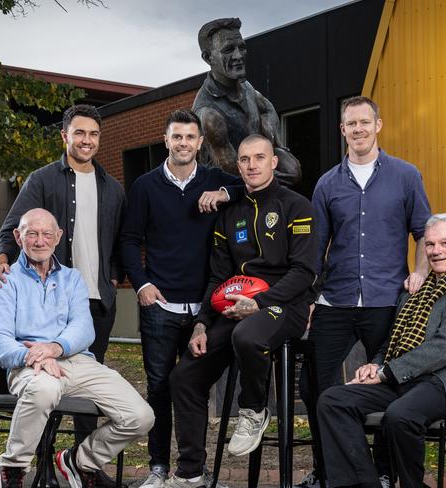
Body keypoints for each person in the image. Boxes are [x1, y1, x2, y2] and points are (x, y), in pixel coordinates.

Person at [165, 134, 317, 488]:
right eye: (245, 159)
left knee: (247, 335)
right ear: (238, 166)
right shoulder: (229, 212)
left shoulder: (297, 206)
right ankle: (189, 473)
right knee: (184, 376)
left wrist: (260, 303)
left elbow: (304, 271)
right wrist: (202, 323)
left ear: (274, 162)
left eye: (259, 158)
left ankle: (253, 410)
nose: (251, 165)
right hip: (235, 307)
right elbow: (218, 276)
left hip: (283, 305)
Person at [297, 96, 431, 487]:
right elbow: (315, 247)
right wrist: (308, 298)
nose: (357, 129)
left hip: (388, 298)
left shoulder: (406, 176)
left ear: (378, 125)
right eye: (350, 124)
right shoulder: (327, 184)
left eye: (364, 122)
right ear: (342, 131)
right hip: (335, 300)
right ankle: (328, 473)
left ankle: (385, 473)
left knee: (390, 385)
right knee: (317, 389)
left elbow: (422, 230)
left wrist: (420, 272)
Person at [0, 104, 125, 487]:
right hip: (52, 299)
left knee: (87, 389)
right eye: (79, 133)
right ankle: (44, 468)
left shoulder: (112, 188)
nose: (86, 140)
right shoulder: (43, 180)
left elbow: (119, 242)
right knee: (47, 381)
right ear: (65, 136)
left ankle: (85, 467)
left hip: (95, 304)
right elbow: (13, 227)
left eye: (93, 134)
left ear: (99, 138)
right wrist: (2, 259)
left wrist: (112, 277)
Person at [317, 213, 446, 488]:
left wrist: (386, 372)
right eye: (430, 244)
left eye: (445, 243)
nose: (436, 251)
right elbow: (393, 341)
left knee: (401, 414)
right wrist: (375, 365)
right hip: (406, 378)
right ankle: (366, 484)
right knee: (333, 401)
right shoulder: (413, 292)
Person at [0, 209, 154, 488]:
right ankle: (13, 470)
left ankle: (80, 461)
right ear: (18, 237)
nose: (40, 241)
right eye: (32, 234)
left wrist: (53, 348)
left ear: (58, 237)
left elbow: (84, 329)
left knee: (141, 416)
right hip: (28, 366)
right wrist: (32, 355)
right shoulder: (6, 279)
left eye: (46, 234)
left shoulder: (72, 279)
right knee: (45, 388)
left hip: (76, 362)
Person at [119, 109, 242, 488]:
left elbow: (249, 187)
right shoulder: (146, 186)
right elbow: (128, 240)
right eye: (177, 137)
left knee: (193, 390)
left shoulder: (214, 179)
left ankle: (194, 470)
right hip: (160, 306)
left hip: (205, 308)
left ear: (200, 142)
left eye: (190, 137)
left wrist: (222, 192)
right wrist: (140, 284)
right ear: (166, 140)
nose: (184, 144)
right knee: (158, 388)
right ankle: (158, 467)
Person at [193, 17, 301, 187]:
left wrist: (277, 145)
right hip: (229, 194)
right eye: (228, 50)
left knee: (293, 170)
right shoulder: (208, 114)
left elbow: (266, 108)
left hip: (260, 177)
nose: (238, 56)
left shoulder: (246, 88)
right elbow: (230, 170)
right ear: (208, 58)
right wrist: (272, 177)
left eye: (241, 47)